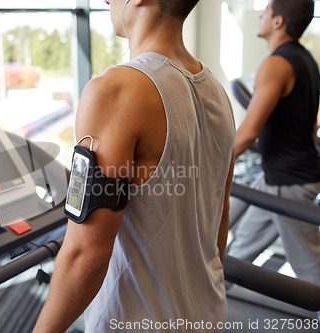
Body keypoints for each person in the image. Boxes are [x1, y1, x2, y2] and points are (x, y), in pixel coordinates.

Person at [33, 0, 235, 332]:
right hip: (209, 315)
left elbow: (87, 255)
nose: (105, 1)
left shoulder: (115, 91)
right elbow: (220, 218)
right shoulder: (217, 92)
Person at [228, 0, 320, 285]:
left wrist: (206, 166)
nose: (261, 16)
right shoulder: (306, 60)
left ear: (278, 21)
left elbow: (248, 131)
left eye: (266, 11)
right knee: (240, 247)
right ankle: (205, 308)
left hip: (289, 182)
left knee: (310, 268)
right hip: (278, 176)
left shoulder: (275, 64)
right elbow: (312, 123)